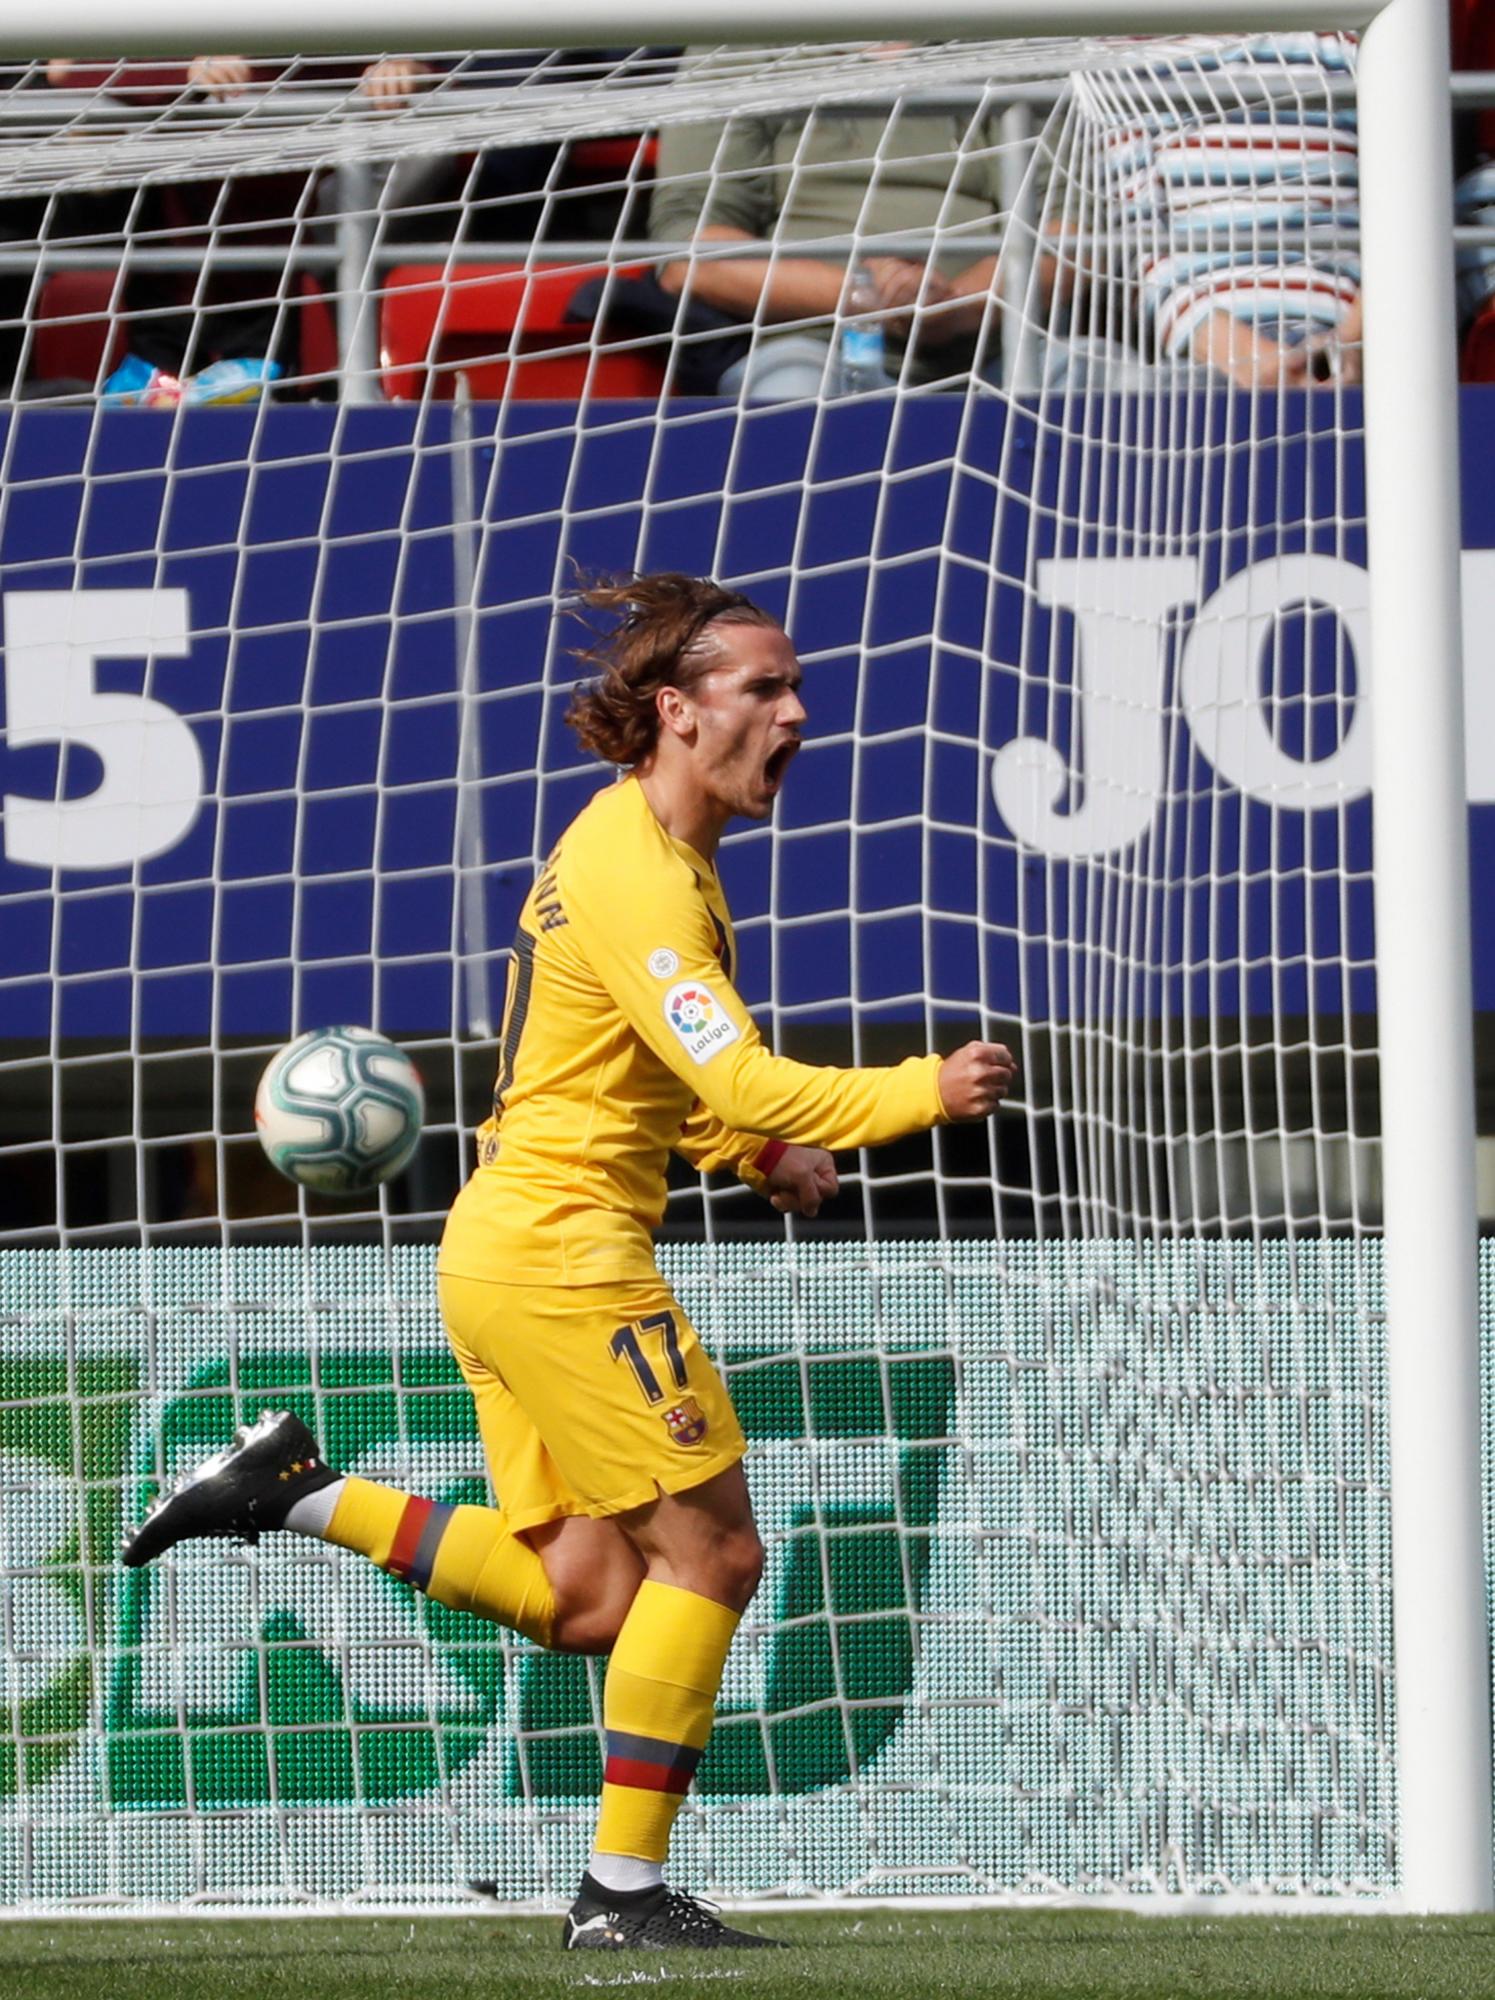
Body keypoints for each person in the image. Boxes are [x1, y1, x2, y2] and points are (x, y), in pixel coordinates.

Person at [121, 571, 1017, 1949]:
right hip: (566, 1258)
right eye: (764, 687)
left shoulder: (634, 847)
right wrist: (920, 1092)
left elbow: (639, 1075)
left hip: (502, 1250)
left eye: (796, 687)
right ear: (677, 710)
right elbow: (744, 1074)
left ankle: (291, 1493)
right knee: (713, 1556)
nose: (796, 713)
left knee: (591, 1597)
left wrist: (752, 1156)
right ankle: (622, 1895)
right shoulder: (639, 874)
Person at [45, 55, 433, 404]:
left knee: (255, 421)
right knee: (151, 421)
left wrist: (407, 71)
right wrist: (183, 71)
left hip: (267, 287)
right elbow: (65, 68)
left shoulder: (314, 39)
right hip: (166, 281)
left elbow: (416, 69)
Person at [647, 46, 1010, 398]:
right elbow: (688, 250)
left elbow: (1047, 229)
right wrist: (864, 295)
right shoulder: (738, 43)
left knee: (1049, 384)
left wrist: (958, 309)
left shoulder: (1007, 40)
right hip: (810, 350)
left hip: (1004, 347)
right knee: (789, 401)